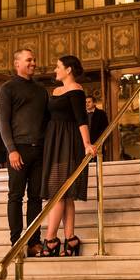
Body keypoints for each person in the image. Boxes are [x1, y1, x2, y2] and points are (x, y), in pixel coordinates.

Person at [0, 48, 49, 257]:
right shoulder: (7, 89)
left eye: (34, 60)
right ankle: (16, 242)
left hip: (40, 151)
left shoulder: (41, 90)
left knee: (36, 198)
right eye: (29, 60)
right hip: (18, 150)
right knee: (16, 197)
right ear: (16, 63)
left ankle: (34, 241)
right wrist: (11, 150)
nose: (33, 63)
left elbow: (47, 121)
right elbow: (3, 123)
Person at [39, 55, 95, 257]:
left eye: (58, 67)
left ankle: (51, 239)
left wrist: (87, 144)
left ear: (69, 69)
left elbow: (81, 119)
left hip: (68, 142)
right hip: (55, 141)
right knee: (65, 194)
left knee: (58, 192)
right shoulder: (56, 90)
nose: (55, 70)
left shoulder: (76, 90)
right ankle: (70, 238)